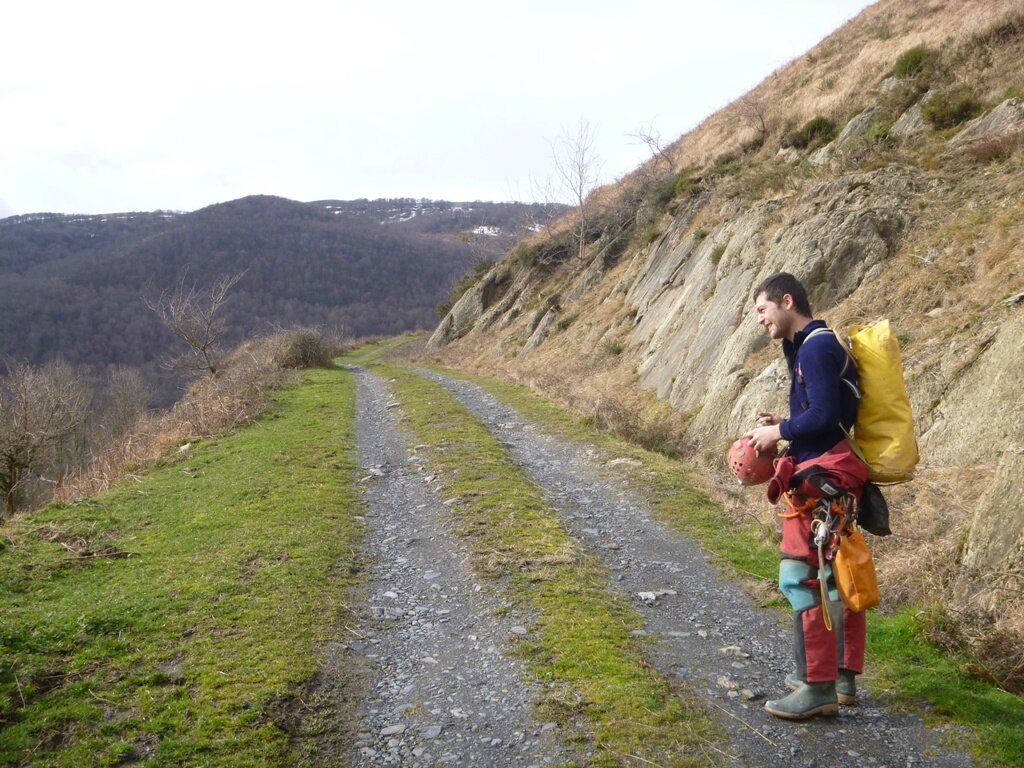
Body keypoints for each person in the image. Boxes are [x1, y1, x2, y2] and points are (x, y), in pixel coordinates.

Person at [743, 272, 868, 720]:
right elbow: (822, 418)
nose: (760, 320)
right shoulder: (813, 345)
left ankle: (817, 687)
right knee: (835, 576)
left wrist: (778, 430)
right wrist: (785, 424)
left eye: (762, 309)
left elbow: (825, 415)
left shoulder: (814, 348)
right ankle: (840, 679)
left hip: (823, 481)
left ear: (786, 301)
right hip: (834, 475)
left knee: (801, 577)